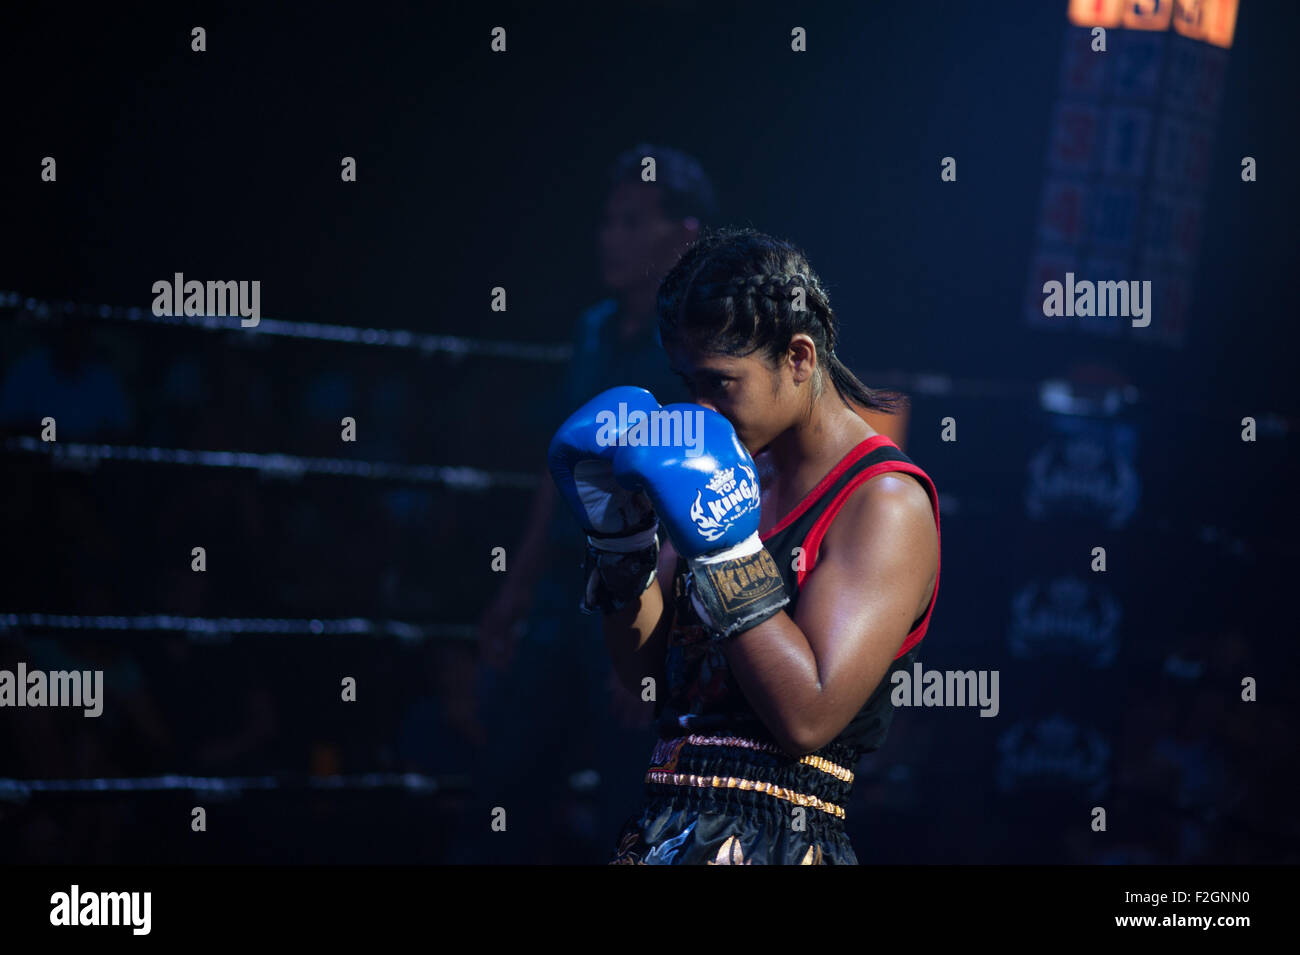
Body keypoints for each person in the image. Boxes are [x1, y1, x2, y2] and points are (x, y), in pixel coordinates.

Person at [548, 226, 941, 864]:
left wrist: (728, 552)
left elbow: (807, 718)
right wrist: (621, 540)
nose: (701, 408)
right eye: (687, 382)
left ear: (800, 358)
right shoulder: (731, 465)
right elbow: (641, 678)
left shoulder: (885, 502)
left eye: (720, 383)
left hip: (780, 840)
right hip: (663, 825)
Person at [473, 145, 718, 860]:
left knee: (626, 793)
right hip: (559, 588)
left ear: (683, 234)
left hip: (641, 595)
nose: (610, 237)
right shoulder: (592, 331)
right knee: (507, 776)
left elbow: (701, 487)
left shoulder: (704, 341)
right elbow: (558, 469)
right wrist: (513, 590)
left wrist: (656, 627)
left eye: (633, 221)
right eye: (609, 221)